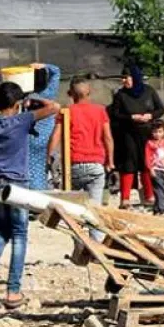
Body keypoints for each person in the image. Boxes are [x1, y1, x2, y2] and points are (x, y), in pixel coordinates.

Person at [0, 82, 61, 309]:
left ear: (0, 102)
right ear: (17, 103)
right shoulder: (22, 120)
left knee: (3, 229)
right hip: (17, 185)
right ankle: (13, 292)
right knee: (19, 234)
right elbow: (54, 107)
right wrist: (35, 99)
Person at [48, 77, 114, 239]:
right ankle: (95, 247)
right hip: (96, 165)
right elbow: (107, 138)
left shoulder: (66, 112)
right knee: (94, 209)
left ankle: (78, 242)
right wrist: (110, 161)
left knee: (72, 210)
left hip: (73, 165)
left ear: (70, 94)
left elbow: (56, 136)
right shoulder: (100, 111)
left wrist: (48, 158)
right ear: (89, 92)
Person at [109, 65, 164, 209]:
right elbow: (115, 114)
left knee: (146, 163)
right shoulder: (121, 95)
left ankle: (149, 196)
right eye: (122, 78)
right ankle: (125, 199)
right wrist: (130, 117)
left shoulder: (149, 91)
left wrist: (150, 115)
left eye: (126, 78)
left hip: (147, 133)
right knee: (128, 164)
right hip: (128, 134)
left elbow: (160, 109)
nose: (124, 81)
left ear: (135, 77)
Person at [24, 63, 62, 190]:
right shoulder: (49, 93)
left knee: (28, 169)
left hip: (28, 137)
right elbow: (56, 71)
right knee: (43, 169)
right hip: (46, 137)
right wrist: (43, 65)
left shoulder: (25, 95)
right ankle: (40, 194)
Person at [144, 122, 164, 214]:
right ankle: (163, 208)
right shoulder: (149, 144)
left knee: (163, 187)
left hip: (163, 169)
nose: (157, 134)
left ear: (163, 132)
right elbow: (147, 157)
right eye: (155, 132)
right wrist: (150, 169)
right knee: (159, 187)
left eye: (160, 132)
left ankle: (157, 208)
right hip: (155, 169)